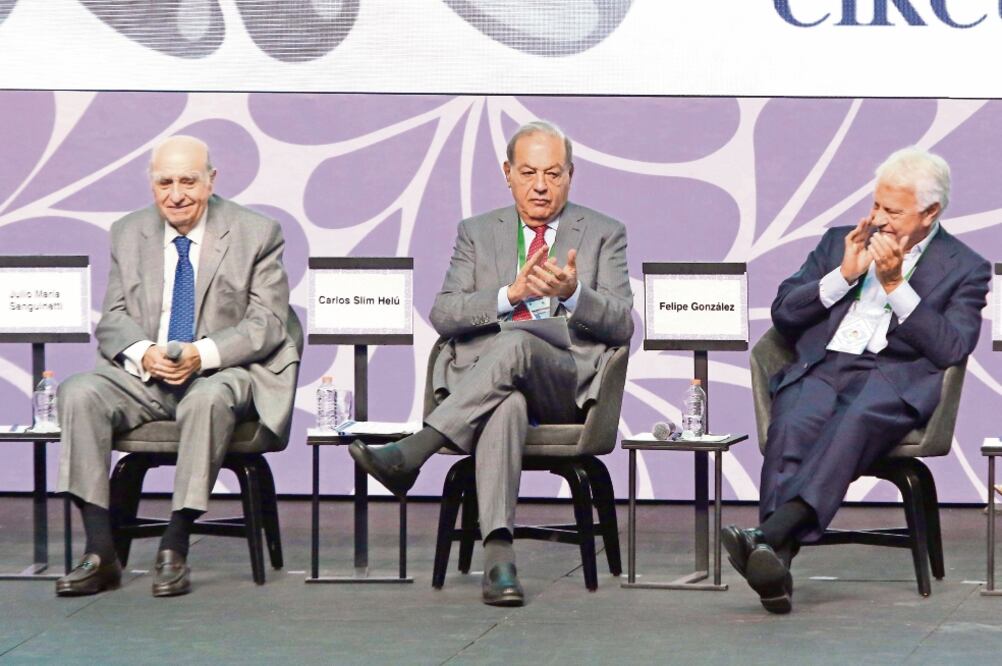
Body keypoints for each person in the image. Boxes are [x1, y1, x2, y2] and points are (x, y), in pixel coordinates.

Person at [349, 120, 633, 606]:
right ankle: (500, 558)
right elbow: (445, 313)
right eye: (528, 172)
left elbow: (623, 323)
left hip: (566, 383)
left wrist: (574, 294)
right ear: (508, 173)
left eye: (553, 173)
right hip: (494, 389)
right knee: (507, 403)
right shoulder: (477, 233)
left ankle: (416, 449)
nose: (541, 185)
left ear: (571, 174)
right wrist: (510, 295)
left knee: (518, 345)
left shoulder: (604, 232)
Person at [722, 147, 991, 614]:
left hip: (895, 378)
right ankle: (774, 563)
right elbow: (784, 316)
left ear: (930, 213)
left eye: (893, 211)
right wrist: (845, 275)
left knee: (855, 420)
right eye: (876, 206)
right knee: (793, 420)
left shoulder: (966, 267)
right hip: (826, 366)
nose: (879, 220)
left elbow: (951, 347)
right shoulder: (838, 242)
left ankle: (770, 534)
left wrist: (894, 286)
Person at [55, 135, 299, 597]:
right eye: (165, 182)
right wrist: (143, 351)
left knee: (206, 399)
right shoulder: (128, 232)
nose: (176, 194)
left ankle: (176, 542)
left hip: (223, 374)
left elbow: (267, 324)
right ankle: (100, 550)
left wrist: (200, 353)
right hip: (145, 376)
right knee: (78, 391)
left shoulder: (257, 232)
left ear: (211, 181)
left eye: (188, 181)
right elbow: (113, 319)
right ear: (152, 183)